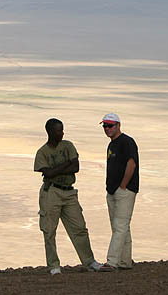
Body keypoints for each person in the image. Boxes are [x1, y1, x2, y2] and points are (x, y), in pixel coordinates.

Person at [34, 118, 104, 274]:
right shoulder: (42, 152)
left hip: (69, 192)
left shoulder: (68, 145)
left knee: (79, 228)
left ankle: (89, 261)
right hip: (51, 192)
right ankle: (54, 266)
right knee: (49, 231)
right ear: (50, 132)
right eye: (59, 130)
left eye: (62, 130)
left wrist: (57, 169)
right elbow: (48, 172)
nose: (62, 133)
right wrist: (66, 165)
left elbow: (76, 167)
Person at [100, 113, 139, 270]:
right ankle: (125, 261)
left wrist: (123, 185)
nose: (107, 129)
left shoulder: (127, 142)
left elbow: (132, 163)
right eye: (105, 126)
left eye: (110, 126)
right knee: (122, 226)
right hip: (112, 190)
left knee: (120, 225)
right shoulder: (112, 145)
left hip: (124, 190)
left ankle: (112, 261)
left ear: (118, 126)